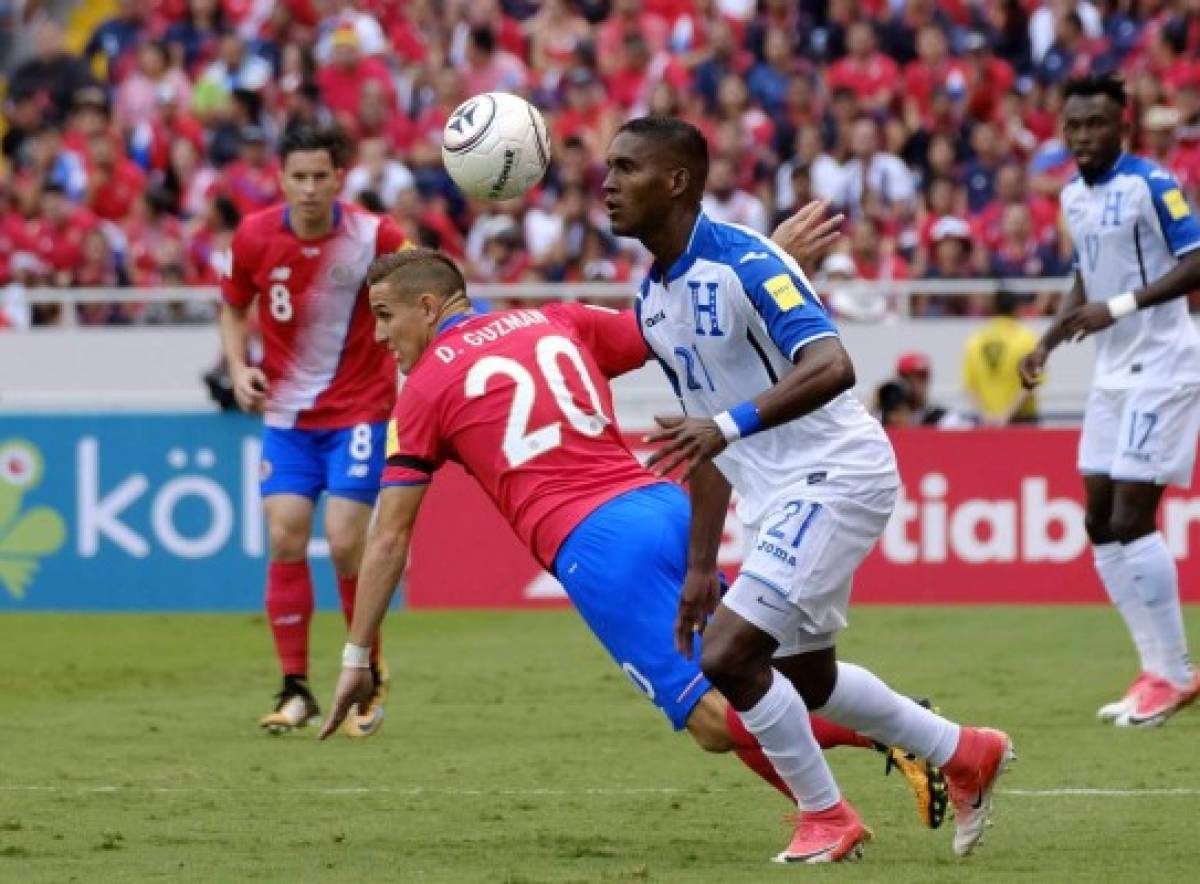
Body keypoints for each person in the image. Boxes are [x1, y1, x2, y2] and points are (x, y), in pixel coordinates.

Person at [317, 247, 949, 833]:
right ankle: (835, 801)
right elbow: (664, 330)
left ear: (428, 308)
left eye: (384, 315)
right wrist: (743, 275)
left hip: (599, 546)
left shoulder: (425, 388)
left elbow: (389, 537)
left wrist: (357, 656)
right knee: (744, 672)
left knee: (709, 721)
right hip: (661, 502)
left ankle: (886, 743)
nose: (377, 335)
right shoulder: (554, 318)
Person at [604, 116, 1012, 863]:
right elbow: (703, 440)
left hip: (839, 471)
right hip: (781, 492)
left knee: (726, 657)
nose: (607, 184)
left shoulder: (746, 261)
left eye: (627, 168)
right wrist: (700, 566)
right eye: (608, 168)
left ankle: (826, 815)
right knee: (804, 677)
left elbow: (832, 365)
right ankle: (963, 751)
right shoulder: (653, 303)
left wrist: (723, 428)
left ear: (677, 181)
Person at [1019, 75, 1200, 726]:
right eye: (1073, 125)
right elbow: (1085, 277)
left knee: (1131, 518)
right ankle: (1155, 669)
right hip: (1113, 371)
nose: (1083, 136)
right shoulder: (1073, 195)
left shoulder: (1152, 185)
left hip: (1166, 366)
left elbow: (1197, 260)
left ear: (1122, 125)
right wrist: (1046, 341)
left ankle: (1177, 673)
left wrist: (1116, 307)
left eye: (1095, 124)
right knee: (1098, 520)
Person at [218, 125, 409, 737]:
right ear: (282, 178)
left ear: (339, 177)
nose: (307, 188)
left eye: (319, 176)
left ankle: (368, 671)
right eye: (297, 176)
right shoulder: (253, 236)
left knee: (346, 542)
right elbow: (231, 304)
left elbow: (425, 286)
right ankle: (294, 687)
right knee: (284, 537)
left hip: (358, 410)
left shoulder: (373, 235)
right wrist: (237, 366)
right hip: (286, 416)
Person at [962, 290, 1039, 425]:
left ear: (993, 309)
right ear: (1016, 308)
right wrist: (1006, 415)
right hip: (1022, 421)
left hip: (988, 422)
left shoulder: (975, 341)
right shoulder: (1027, 339)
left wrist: (986, 415)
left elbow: (970, 386)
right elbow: (1031, 382)